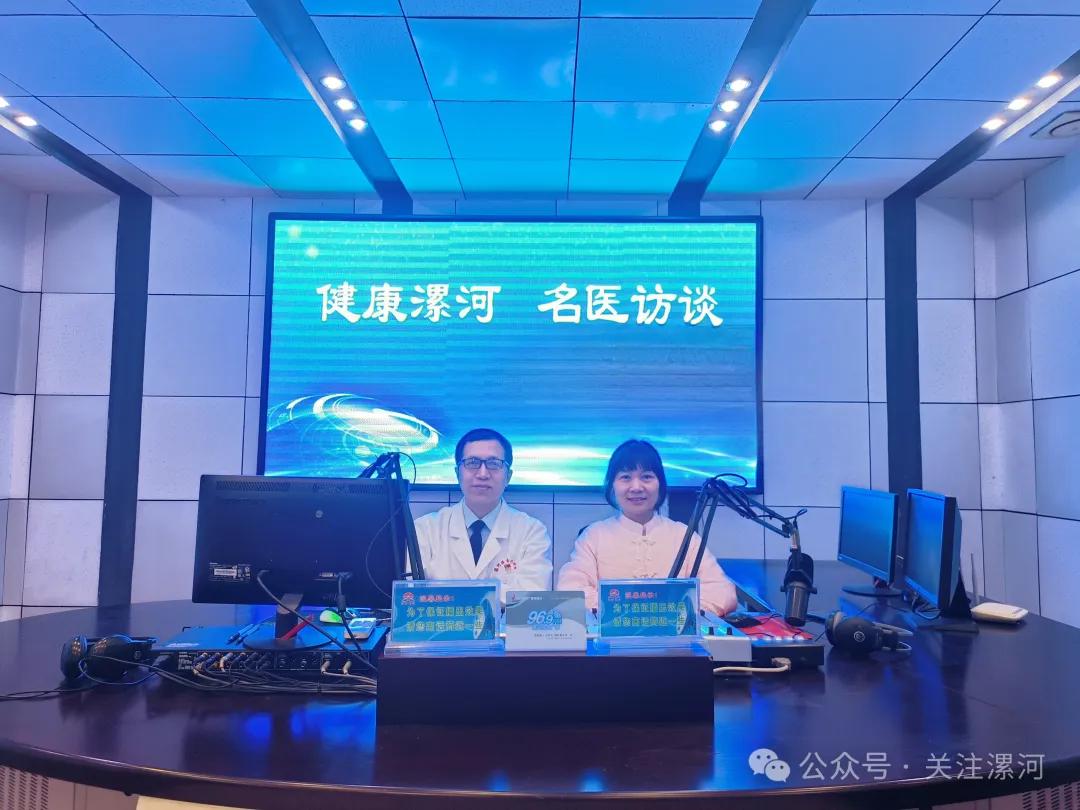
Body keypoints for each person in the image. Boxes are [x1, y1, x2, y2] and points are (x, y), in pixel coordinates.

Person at [557, 439, 737, 615]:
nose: (636, 487)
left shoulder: (684, 535)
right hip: (612, 633)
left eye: (646, 477)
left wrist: (674, 612)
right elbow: (570, 591)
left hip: (676, 634)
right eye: (625, 477)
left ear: (660, 484)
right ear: (612, 486)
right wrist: (626, 611)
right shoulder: (594, 536)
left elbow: (723, 593)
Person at [413, 428, 552, 594]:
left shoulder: (531, 531)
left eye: (494, 463)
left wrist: (451, 593)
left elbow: (531, 597)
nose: (483, 474)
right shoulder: (425, 529)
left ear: (508, 476)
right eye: (472, 462)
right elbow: (409, 595)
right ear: (457, 473)